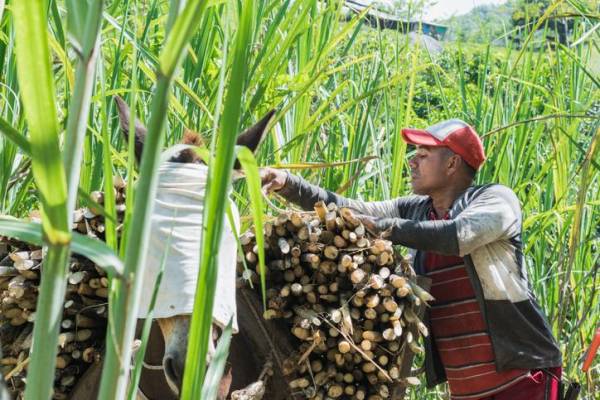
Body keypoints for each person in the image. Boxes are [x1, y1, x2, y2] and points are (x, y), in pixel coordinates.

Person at [260, 119, 563, 400]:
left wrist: (382, 227)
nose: (412, 161)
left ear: (453, 163)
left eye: (423, 154)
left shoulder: (495, 200)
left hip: (523, 378)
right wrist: (288, 183)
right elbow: (348, 208)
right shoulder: (414, 210)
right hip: (465, 389)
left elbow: (455, 236)